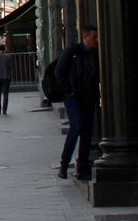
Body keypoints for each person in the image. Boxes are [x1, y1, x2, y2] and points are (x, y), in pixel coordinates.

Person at [55, 27, 99, 181]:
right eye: (94, 37)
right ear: (86, 37)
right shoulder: (73, 51)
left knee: (87, 132)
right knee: (77, 126)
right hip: (73, 97)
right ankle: (64, 164)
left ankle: (82, 168)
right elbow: (59, 72)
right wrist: (69, 90)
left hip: (88, 97)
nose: (97, 40)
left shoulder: (95, 54)